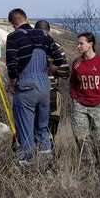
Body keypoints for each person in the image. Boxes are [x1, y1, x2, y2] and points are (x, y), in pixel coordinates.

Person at [5, 9, 65, 165]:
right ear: (27, 19)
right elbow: (59, 59)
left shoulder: (13, 37)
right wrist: (48, 71)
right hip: (45, 88)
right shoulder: (43, 35)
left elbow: (12, 64)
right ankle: (47, 163)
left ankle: (27, 165)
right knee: (42, 128)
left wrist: (12, 83)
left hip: (26, 87)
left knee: (25, 131)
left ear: (13, 24)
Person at [69, 32, 100, 172]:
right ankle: (87, 168)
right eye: (78, 43)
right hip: (80, 105)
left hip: (99, 105)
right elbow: (72, 83)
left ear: (90, 44)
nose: (78, 46)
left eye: (81, 43)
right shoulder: (76, 63)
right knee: (80, 137)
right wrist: (74, 97)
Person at [33, 20, 70, 149]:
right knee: (50, 128)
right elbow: (65, 73)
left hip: (32, 90)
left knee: (32, 125)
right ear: (49, 31)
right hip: (51, 90)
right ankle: (48, 155)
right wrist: (52, 68)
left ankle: (32, 156)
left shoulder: (29, 46)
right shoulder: (56, 46)